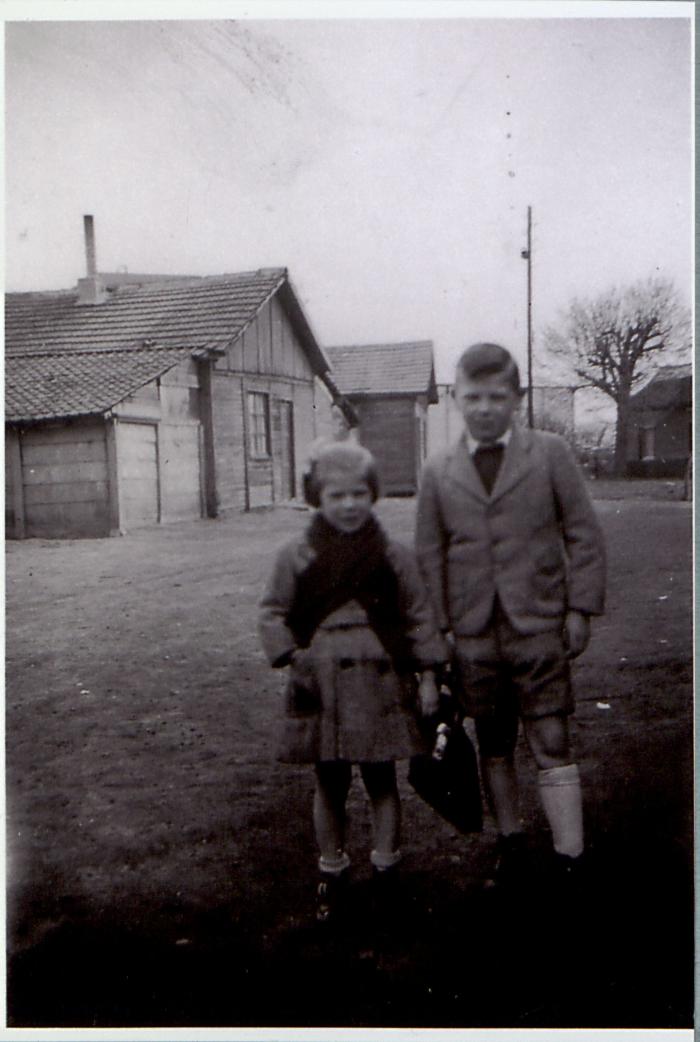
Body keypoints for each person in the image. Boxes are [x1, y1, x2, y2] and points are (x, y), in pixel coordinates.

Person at [415, 342, 606, 891]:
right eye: (472, 397)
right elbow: (428, 558)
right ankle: (511, 844)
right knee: (494, 744)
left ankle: (571, 856)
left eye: (497, 396)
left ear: (517, 399)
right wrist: (439, 634)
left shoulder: (550, 454)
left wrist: (580, 606)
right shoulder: (437, 470)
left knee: (551, 739)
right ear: (454, 399)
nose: (484, 408)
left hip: (540, 626)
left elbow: (583, 533)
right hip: (473, 636)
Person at [259, 442, 446, 924]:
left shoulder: (394, 557)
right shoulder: (295, 555)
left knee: (382, 778)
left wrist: (429, 678)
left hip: (382, 684)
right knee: (329, 780)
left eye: (359, 493)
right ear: (317, 498)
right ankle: (333, 870)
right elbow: (273, 611)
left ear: (374, 495)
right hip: (322, 684)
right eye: (336, 495)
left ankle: (387, 867)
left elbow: (420, 617)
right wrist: (294, 658)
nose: (348, 505)